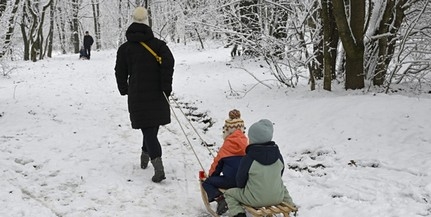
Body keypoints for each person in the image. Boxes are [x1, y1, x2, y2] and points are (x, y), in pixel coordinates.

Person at [114, 7, 175, 183]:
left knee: (148, 128)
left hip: (137, 93)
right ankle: (145, 152)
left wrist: (123, 88)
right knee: (150, 127)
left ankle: (158, 167)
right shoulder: (159, 46)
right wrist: (166, 87)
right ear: (148, 22)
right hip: (158, 93)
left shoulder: (125, 49)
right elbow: (169, 64)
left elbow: (119, 71)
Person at [224, 119, 296, 217]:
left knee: (229, 193)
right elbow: (280, 174)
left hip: (254, 199)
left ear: (252, 139)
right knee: (280, 185)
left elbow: (240, 179)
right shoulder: (278, 155)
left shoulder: (249, 158)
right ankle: (290, 204)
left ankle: (238, 213)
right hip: (277, 197)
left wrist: (244, 188)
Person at [201, 109, 248, 215]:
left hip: (230, 181)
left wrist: (211, 176)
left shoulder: (226, 147)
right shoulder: (247, 145)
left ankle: (220, 199)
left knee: (207, 182)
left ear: (227, 131)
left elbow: (216, 166)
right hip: (245, 182)